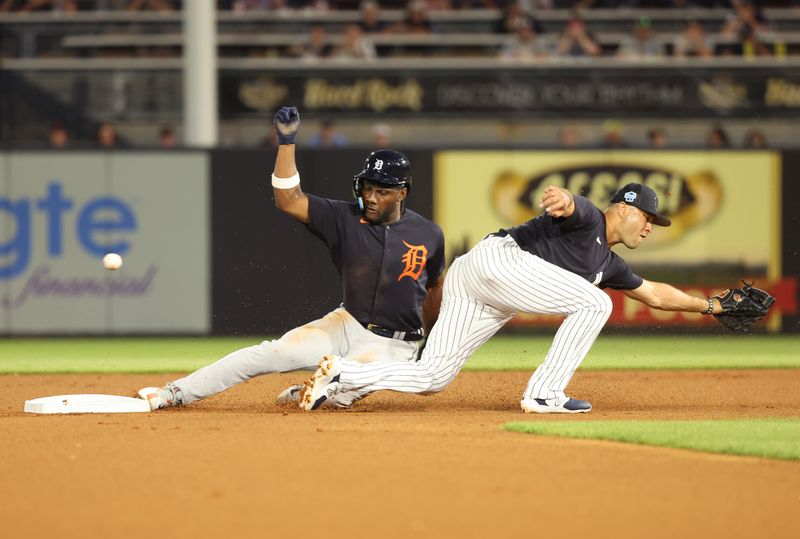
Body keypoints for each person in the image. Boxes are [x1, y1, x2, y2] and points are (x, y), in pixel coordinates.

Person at [299, 183, 732, 414]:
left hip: (481, 284)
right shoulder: (588, 223)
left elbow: (654, 293)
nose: (651, 226)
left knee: (432, 377)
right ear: (623, 208)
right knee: (597, 304)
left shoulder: (608, 264)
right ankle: (544, 394)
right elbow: (576, 205)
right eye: (648, 217)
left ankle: (342, 379)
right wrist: (564, 199)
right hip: (499, 261)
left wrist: (711, 306)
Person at [137, 106, 445, 411]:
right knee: (272, 354)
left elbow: (434, 289)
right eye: (367, 188)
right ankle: (176, 392)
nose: (371, 198)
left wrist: (431, 341)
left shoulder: (429, 234)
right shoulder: (344, 217)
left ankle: (316, 390)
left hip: (393, 345)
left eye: (382, 191)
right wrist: (286, 142)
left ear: (402, 194)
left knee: (338, 395)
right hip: (346, 322)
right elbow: (288, 199)